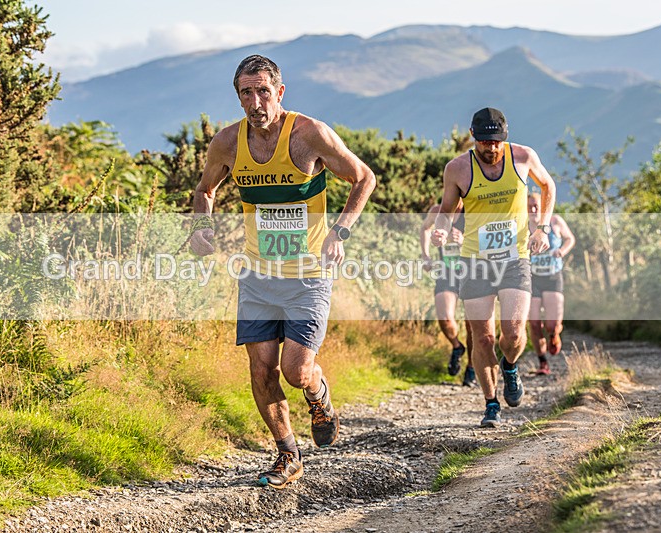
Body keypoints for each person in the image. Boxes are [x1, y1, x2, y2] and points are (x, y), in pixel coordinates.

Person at [189, 55, 376, 488]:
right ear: (238, 97)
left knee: (296, 371)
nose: (255, 102)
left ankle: (317, 392)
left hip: (308, 275)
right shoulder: (227, 143)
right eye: (246, 93)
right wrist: (201, 227)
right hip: (258, 277)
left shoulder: (310, 134)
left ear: (280, 92)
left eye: (263, 91)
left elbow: (363, 178)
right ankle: (288, 454)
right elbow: (205, 190)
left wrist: (340, 232)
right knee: (260, 371)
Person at [431, 107, 556, 428]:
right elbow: (446, 210)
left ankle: (510, 366)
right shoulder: (457, 169)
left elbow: (548, 187)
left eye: (497, 141)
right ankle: (491, 403)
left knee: (513, 332)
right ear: (473, 137)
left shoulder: (523, 157)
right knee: (483, 337)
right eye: (485, 142)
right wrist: (441, 230)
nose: (492, 147)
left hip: (515, 259)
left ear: (505, 136)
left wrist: (542, 228)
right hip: (475, 262)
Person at [420, 201, 476, 387]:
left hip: (472, 272)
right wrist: (425, 256)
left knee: (472, 326)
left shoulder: (473, 209)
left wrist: (464, 240)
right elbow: (425, 228)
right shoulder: (437, 211)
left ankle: (471, 368)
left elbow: (485, 239)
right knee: (445, 318)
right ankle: (457, 346)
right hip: (447, 271)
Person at [527, 192, 576, 375]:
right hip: (532, 278)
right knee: (533, 324)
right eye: (529, 206)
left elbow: (570, 239)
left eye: (536, 206)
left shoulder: (555, 221)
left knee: (552, 324)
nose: (533, 209)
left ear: (543, 206)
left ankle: (554, 334)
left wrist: (562, 251)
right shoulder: (523, 225)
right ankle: (542, 362)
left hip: (552, 277)